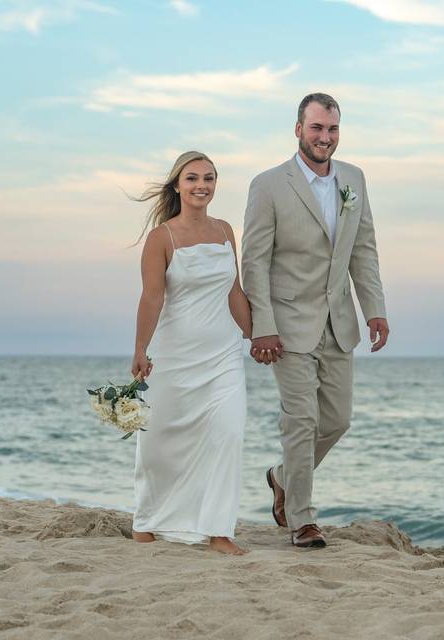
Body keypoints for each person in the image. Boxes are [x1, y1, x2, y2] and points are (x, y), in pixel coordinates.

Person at [241, 93, 389, 548]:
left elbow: (363, 249)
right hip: (286, 323)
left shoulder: (354, 180)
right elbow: (254, 261)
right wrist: (261, 324)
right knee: (300, 420)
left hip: (338, 321)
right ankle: (301, 520)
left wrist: (375, 309)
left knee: (337, 420)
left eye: (333, 129)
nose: (325, 138)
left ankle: (282, 477)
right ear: (298, 129)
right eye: (317, 128)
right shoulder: (268, 185)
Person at [129, 151, 251, 556]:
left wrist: (259, 337)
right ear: (177, 184)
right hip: (175, 354)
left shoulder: (225, 231)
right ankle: (147, 520)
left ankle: (219, 531)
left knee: (228, 434)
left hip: (223, 354)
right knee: (159, 439)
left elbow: (234, 293)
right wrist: (140, 349)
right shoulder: (162, 237)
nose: (202, 185)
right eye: (193, 178)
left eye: (210, 178)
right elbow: (151, 298)